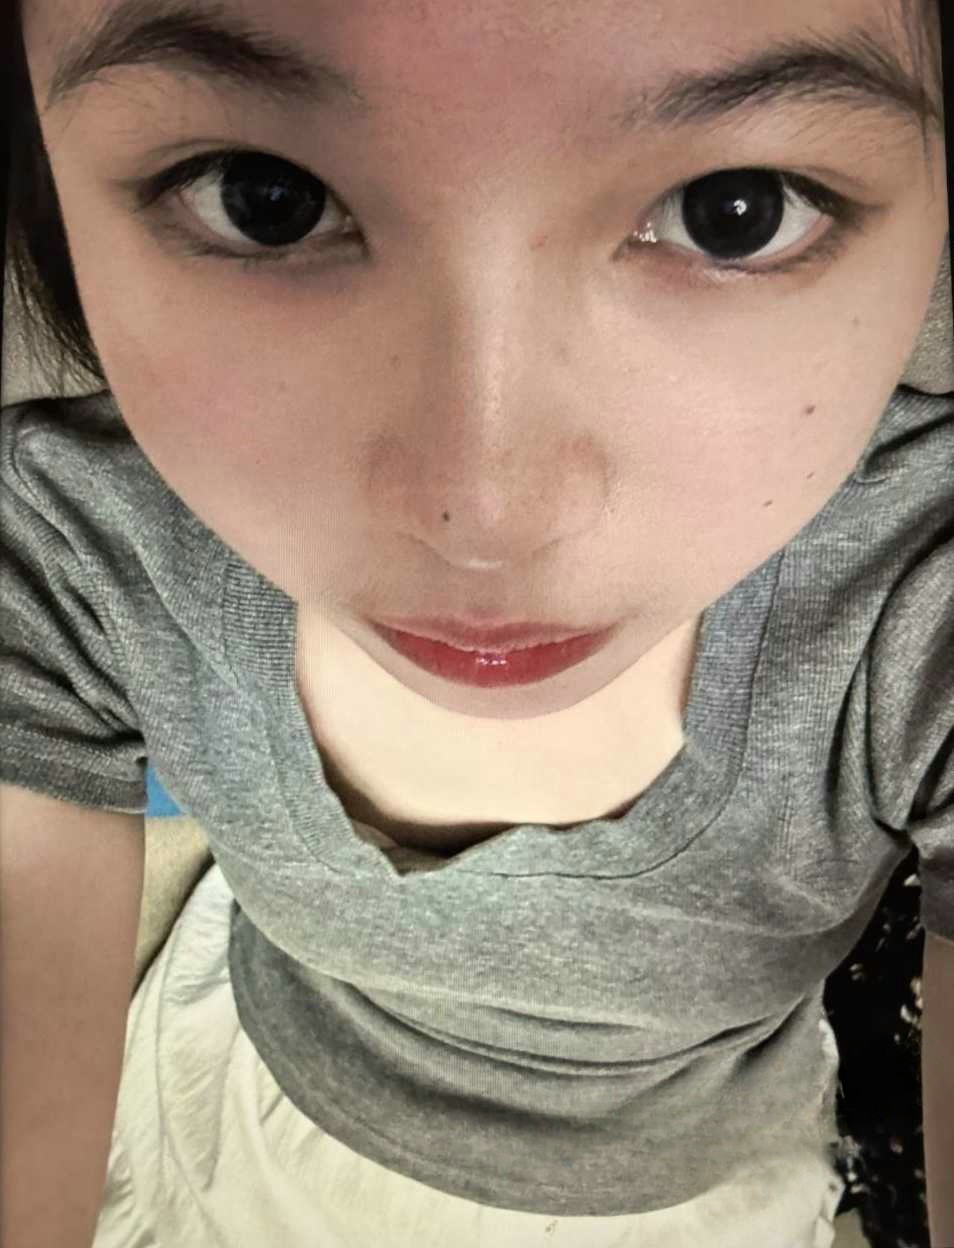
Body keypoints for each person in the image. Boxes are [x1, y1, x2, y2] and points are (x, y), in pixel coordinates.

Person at [1, 0, 950, 1245]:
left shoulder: (919, 605)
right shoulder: (70, 549)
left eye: (738, 210)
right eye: (264, 200)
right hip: (233, 1100)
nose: (483, 516)